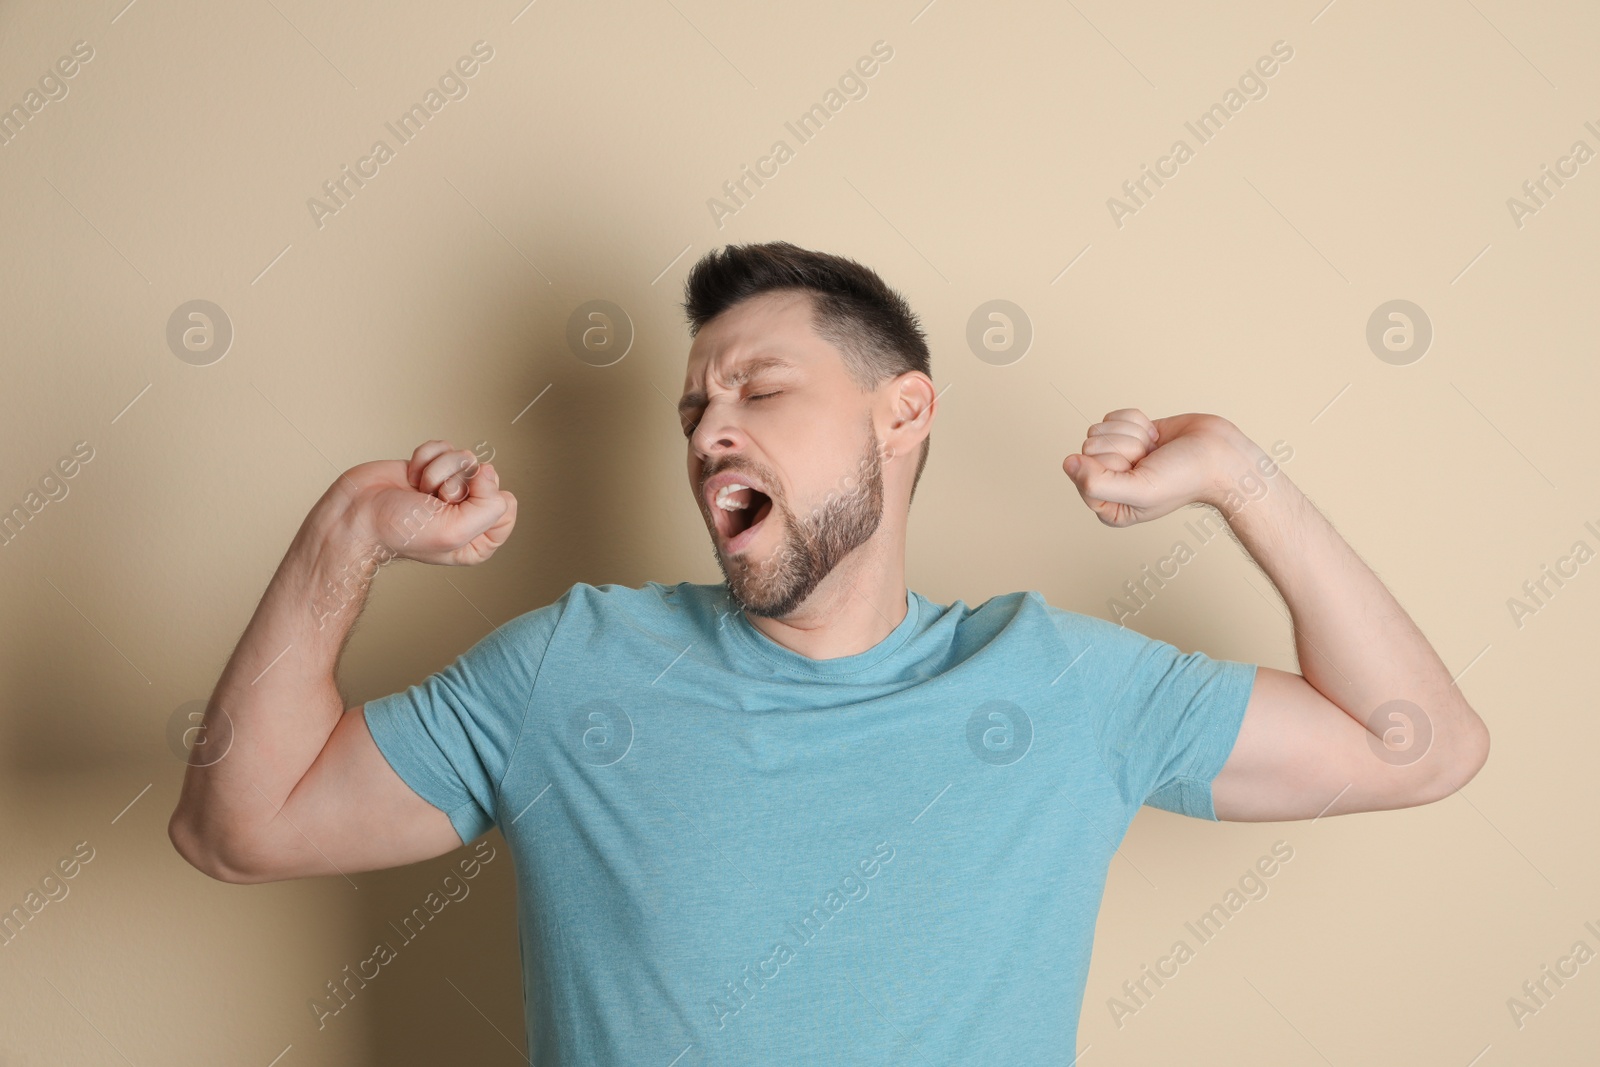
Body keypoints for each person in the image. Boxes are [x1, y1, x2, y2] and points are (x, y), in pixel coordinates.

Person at [168, 241, 1489, 1063]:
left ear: (903, 411)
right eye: (693, 409)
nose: (707, 434)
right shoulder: (570, 669)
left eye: (760, 389)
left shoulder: (1064, 685)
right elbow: (239, 827)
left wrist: (1244, 480)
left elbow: (1416, 747)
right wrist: (347, 529)